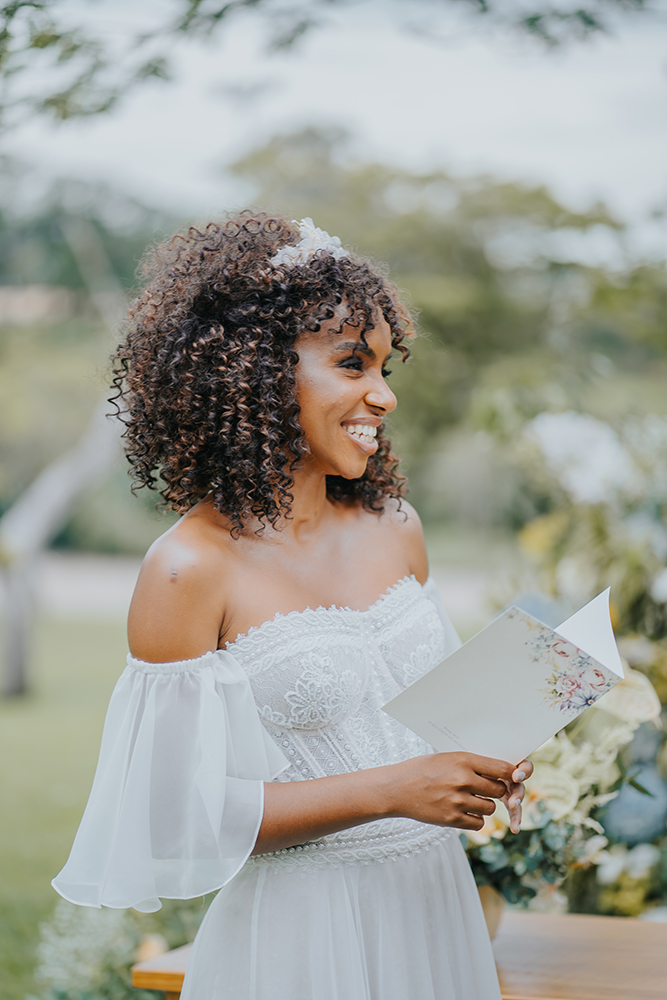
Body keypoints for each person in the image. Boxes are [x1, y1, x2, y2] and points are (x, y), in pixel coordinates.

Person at [53, 213, 532, 999]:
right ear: (257, 372)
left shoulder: (397, 527)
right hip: (305, 939)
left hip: (434, 911)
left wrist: (488, 759)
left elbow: (424, 725)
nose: (383, 394)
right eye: (352, 364)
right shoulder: (188, 569)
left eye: (383, 365)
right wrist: (390, 791)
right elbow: (177, 822)